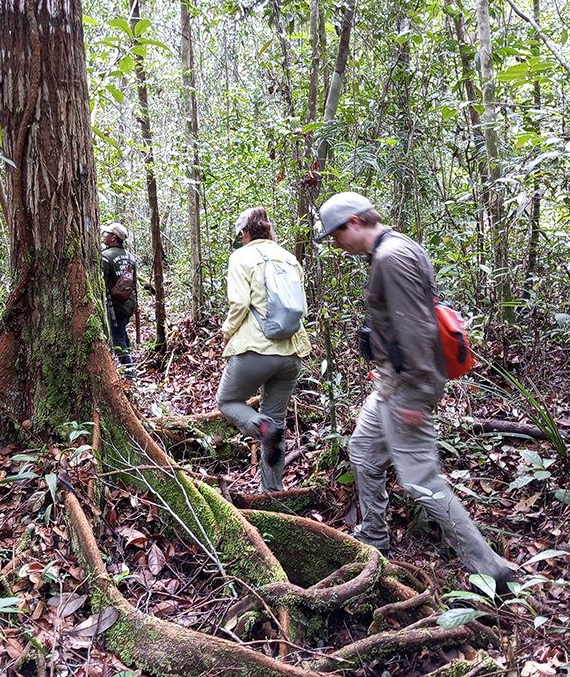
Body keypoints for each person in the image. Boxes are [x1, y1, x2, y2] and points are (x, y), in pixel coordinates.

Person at [317, 192, 516, 588]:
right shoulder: (394, 248)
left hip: (407, 388)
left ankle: (492, 569)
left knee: (422, 481)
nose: (336, 244)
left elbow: (417, 330)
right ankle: (375, 535)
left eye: (336, 235)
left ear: (354, 222)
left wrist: (420, 394)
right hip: (390, 383)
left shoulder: (391, 258)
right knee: (362, 452)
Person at [217, 207, 311, 492]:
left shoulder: (240, 257)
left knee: (228, 402)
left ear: (244, 233)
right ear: (268, 231)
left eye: (240, 234)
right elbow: (302, 308)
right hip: (292, 353)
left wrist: (226, 333)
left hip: (256, 350)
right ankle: (272, 491)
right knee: (276, 419)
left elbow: (240, 304)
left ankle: (262, 429)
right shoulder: (289, 258)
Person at [101, 222, 136, 368]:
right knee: (121, 331)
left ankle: (129, 372)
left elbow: (101, 282)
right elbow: (135, 283)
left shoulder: (105, 257)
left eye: (107, 233)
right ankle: (130, 361)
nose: (104, 235)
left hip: (116, 305)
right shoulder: (131, 257)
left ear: (113, 238)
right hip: (130, 304)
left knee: (117, 339)